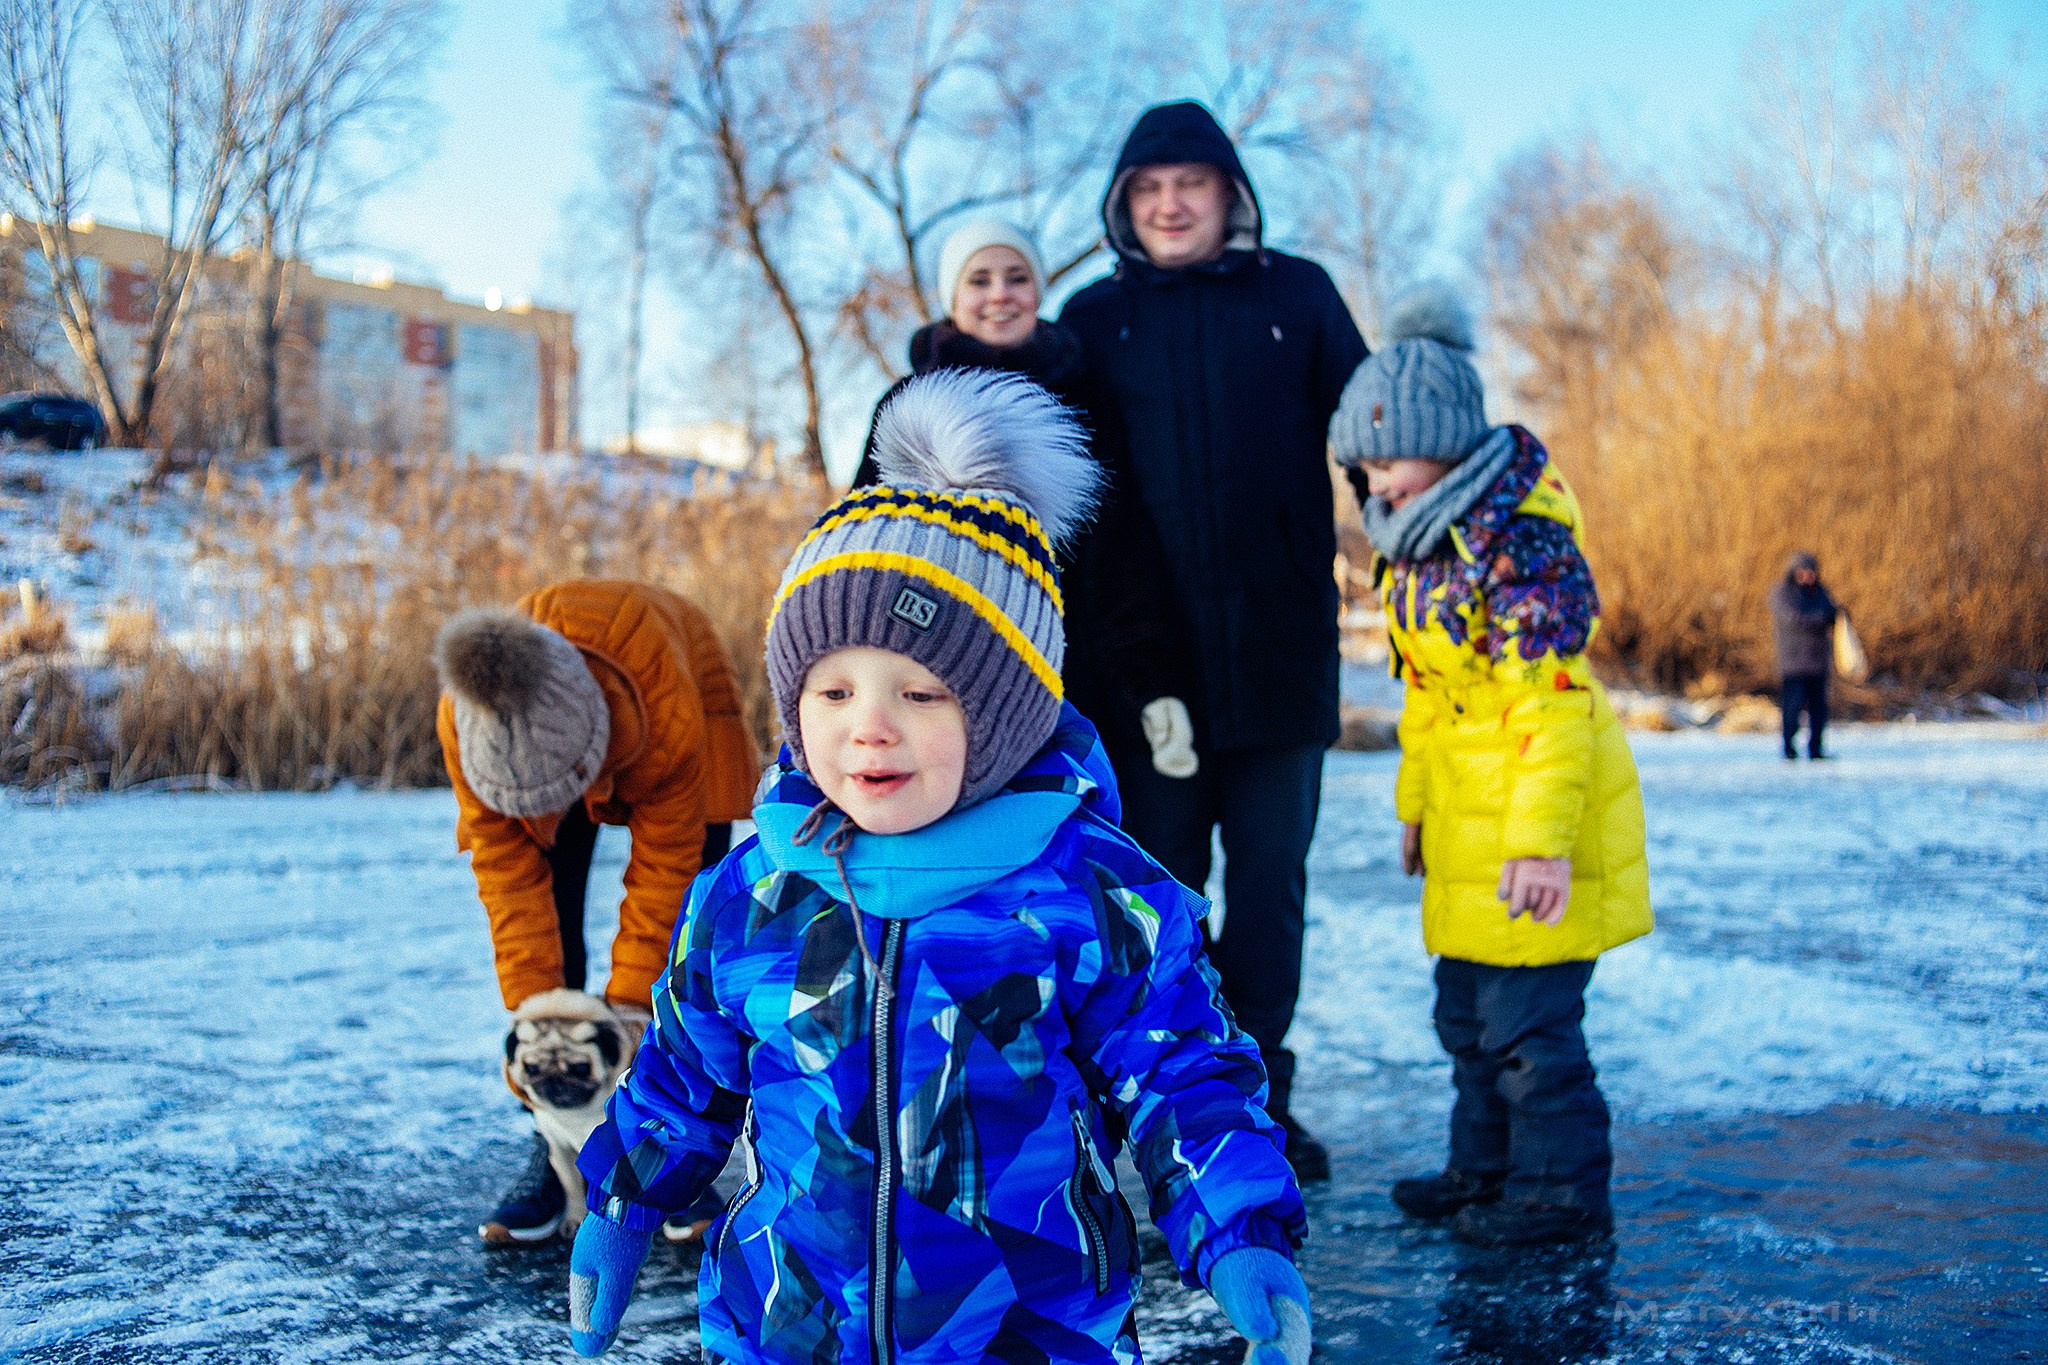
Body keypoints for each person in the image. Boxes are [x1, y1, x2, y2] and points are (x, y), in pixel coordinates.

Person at [563, 372, 1313, 1365]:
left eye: (920, 693)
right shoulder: (755, 893)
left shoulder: (1089, 894)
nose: (867, 726)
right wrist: (621, 1204)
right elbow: (682, 1076)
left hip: (1026, 1334)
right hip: (790, 1327)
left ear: (1002, 715)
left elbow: (1183, 1077)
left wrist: (1241, 1236)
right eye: (831, 691)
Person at [1059, 100, 1369, 1181]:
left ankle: (1260, 1099)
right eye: (1146, 189)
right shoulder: (1092, 322)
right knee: (1157, 896)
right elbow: (1060, 484)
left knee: (1271, 887)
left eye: (1188, 183)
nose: (1169, 204)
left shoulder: (1298, 296)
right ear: (1122, 207)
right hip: (1147, 676)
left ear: (1230, 192)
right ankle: (1164, 1107)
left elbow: (1376, 436)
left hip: (1282, 659)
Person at [1329, 281, 1652, 1247]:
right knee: (1468, 1021)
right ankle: (1484, 1169)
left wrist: (1543, 845)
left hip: (1534, 829)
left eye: (1390, 458)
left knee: (1530, 1035)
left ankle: (1560, 1195)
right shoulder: (1419, 548)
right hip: (1471, 830)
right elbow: (1427, 699)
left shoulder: (1520, 543)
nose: (1377, 482)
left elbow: (1548, 711)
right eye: (1366, 464)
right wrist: (1418, 814)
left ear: (1448, 440)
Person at [433, 578, 760, 1245]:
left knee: (684, 952)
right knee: (549, 934)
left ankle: (667, 1153)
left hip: (676, 692)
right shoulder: (464, 716)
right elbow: (503, 869)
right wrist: (536, 1010)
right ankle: (554, 1147)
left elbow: (666, 871)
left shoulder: (660, 706)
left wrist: (632, 1010)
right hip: (552, 743)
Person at [850, 218, 1202, 785]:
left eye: (1016, 277)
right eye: (979, 280)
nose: (999, 295)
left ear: (1037, 291)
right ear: (952, 297)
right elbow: (868, 548)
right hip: (945, 669)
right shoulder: (909, 403)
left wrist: (1150, 683)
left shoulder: (1084, 402)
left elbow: (1119, 553)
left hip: (1073, 671)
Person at [1770, 552, 1838, 760]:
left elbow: (1832, 612)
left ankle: (1816, 748)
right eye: (1804, 571)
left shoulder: (1821, 593)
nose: (1809, 576)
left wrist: (1837, 615)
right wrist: (1822, 618)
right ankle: (1789, 747)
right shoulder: (1782, 593)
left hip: (1818, 662)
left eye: (1812, 571)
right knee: (1792, 708)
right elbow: (1795, 619)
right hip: (1794, 663)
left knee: (1819, 709)